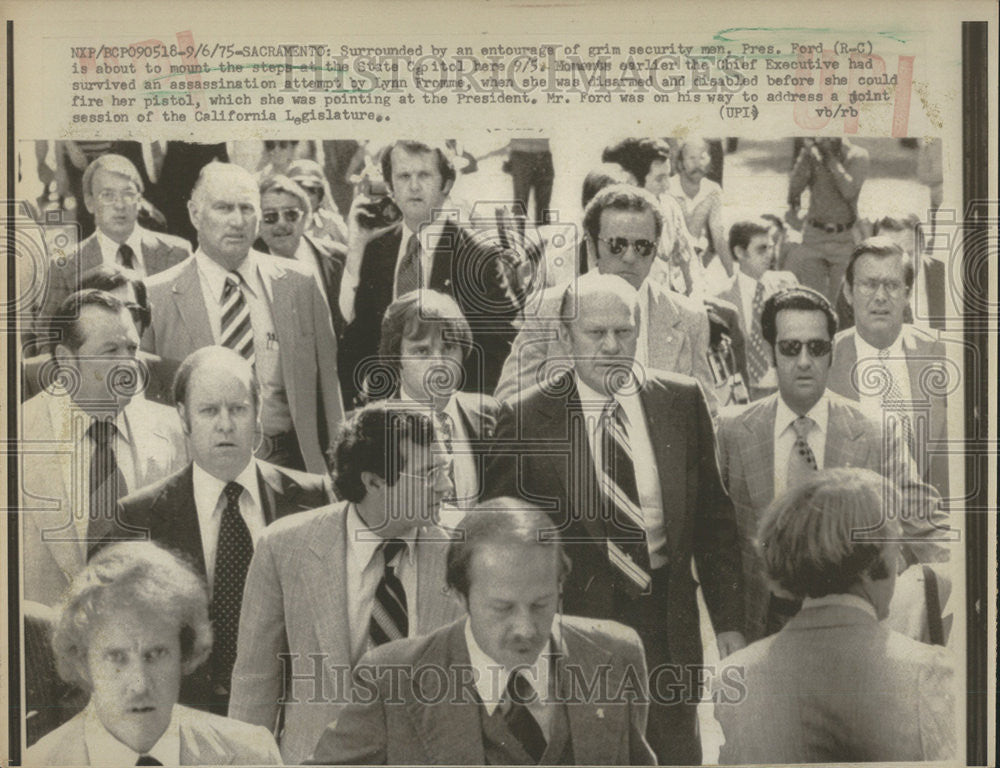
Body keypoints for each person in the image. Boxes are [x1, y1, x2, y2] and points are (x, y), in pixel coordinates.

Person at [485, 273, 744, 765]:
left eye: (623, 332)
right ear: (565, 337)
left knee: (673, 754)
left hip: (668, 625)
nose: (611, 346)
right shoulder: (523, 419)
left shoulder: (681, 401)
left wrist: (729, 621)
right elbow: (500, 541)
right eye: (595, 333)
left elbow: (715, 521)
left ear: (640, 329)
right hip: (572, 629)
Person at [307, 502, 656, 765]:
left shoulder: (617, 655)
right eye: (502, 608)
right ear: (461, 597)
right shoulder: (391, 679)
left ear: (560, 587)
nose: (525, 629)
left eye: (541, 604)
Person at [228, 402, 462, 764]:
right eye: (430, 473)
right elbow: (255, 684)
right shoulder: (284, 548)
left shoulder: (461, 557)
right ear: (374, 482)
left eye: (446, 469)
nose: (446, 485)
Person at [715, 287, 952, 641]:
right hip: (762, 627)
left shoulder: (875, 434)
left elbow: (925, 521)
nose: (805, 360)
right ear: (770, 353)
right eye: (791, 348)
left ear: (832, 353)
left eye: (818, 347)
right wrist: (727, 625)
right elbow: (718, 542)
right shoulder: (733, 430)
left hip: (854, 628)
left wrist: (975, 570)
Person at [113, 346, 332, 714]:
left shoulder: (315, 499)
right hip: (185, 718)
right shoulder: (139, 517)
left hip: (288, 713)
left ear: (258, 413)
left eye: (238, 409)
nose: (225, 424)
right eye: (209, 410)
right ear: (183, 418)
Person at [714, 469, 955, 763]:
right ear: (871, 563)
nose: (900, 562)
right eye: (896, 548)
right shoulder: (929, 671)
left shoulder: (734, 676)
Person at [143, 161, 345, 473]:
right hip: (197, 471)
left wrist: (337, 473)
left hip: (290, 470)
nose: (237, 221)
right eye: (223, 208)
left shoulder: (299, 284)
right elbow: (148, 408)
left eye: (247, 209)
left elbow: (330, 392)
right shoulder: (155, 297)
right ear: (195, 213)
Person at [25, 542, 282, 765]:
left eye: (156, 654)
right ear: (83, 662)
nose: (140, 684)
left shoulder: (252, 754)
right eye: (116, 657)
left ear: (185, 654)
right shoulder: (37, 763)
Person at [20, 290, 187, 607]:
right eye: (110, 350)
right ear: (67, 360)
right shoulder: (14, 437)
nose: (128, 365)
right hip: (45, 645)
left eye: (132, 348)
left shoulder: (173, 432)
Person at [495, 185, 717, 415]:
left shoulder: (689, 317)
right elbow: (508, 407)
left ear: (656, 248)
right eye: (616, 245)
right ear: (591, 244)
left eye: (643, 246)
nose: (630, 257)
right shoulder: (548, 310)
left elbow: (708, 417)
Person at [337, 140, 520, 404]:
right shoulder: (376, 249)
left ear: (446, 184)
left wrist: (463, 413)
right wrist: (355, 249)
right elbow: (358, 338)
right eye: (403, 176)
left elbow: (501, 350)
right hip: (388, 416)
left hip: (452, 415)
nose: (413, 186)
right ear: (390, 187)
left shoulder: (478, 255)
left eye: (424, 175)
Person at [828, 237, 951, 495]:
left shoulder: (944, 354)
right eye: (869, 285)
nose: (881, 297)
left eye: (893, 285)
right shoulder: (826, 360)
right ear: (848, 293)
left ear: (907, 294)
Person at [367, 289, 500, 518]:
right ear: (396, 357)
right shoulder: (374, 431)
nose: (439, 363)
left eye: (448, 348)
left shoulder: (491, 414)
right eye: (422, 351)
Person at [41, 153, 191, 318]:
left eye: (128, 193)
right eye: (107, 195)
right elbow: (47, 336)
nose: (119, 205)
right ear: (89, 203)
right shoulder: (65, 267)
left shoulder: (178, 254)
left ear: (139, 200)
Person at [22, 264, 179, 406]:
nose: (120, 322)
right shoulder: (31, 378)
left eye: (131, 311)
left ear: (145, 318)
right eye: (103, 311)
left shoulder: (172, 377)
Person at [715, 219, 797, 400]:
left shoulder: (787, 283)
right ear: (739, 252)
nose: (770, 255)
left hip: (784, 388)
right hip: (746, 391)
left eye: (771, 247)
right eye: (762, 249)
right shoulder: (721, 298)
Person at [256, 173, 348, 336]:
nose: (282, 223)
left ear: (306, 216)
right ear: (257, 223)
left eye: (291, 214)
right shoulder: (244, 265)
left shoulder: (339, 258)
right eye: (270, 217)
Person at [785, 137, 870, 304]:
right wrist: (805, 156)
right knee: (812, 300)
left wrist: (829, 158)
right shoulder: (813, 156)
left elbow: (849, 190)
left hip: (843, 238)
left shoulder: (857, 155)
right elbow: (794, 190)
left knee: (841, 301)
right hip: (814, 236)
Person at [667, 137, 733, 279]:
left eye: (702, 158)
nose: (697, 164)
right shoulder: (668, 189)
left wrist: (732, 276)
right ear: (680, 163)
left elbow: (719, 236)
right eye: (691, 158)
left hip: (696, 263)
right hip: (668, 263)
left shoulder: (712, 190)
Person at [286, 157, 350, 245]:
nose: (306, 197)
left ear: (320, 195)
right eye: (299, 190)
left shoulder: (331, 222)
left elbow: (352, 252)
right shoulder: (278, 222)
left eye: (311, 190)